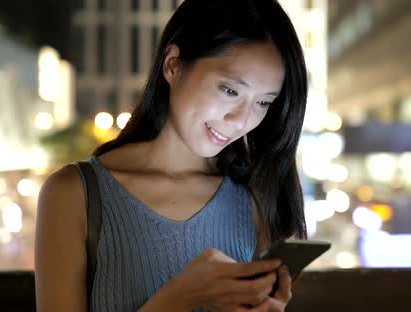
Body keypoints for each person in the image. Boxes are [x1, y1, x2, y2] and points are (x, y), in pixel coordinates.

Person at [34, 0, 308, 311]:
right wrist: (183, 295)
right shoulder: (73, 194)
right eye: (230, 91)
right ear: (173, 65)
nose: (241, 120)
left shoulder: (256, 198)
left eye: (262, 103)